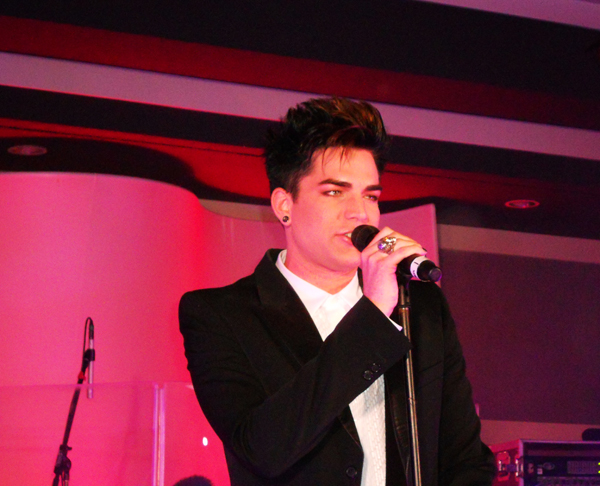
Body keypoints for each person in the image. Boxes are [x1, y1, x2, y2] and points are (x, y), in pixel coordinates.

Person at [179, 97, 496, 486]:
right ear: (284, 205)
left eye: (370, 195)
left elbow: (466, 459)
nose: (359, 212)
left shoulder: (420, 307)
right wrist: (372, 314)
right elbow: (262, 449)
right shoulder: (220, 315)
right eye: (334, 192)